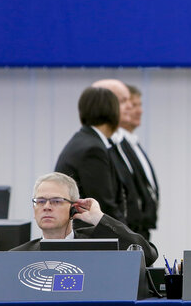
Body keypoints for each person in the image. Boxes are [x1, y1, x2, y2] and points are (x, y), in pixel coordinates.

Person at [10, 172, 158, 266]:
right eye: (40, 201)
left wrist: (99, 218)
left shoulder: (98, 244)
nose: (47, 207)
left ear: (73, 207)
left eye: (56, 201)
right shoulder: (17, 257)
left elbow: (148, 254)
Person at [54, 87, 126, 222]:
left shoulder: (84, 140)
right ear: (113, 112)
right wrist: (128, 236)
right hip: (90, 237)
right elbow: (104, 208)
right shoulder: (93, 150)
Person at [92, 79, 152, 239]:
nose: (133, 109)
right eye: (124, 102)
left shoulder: (125, 143)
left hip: (134, 230)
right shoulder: (99, 147)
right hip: (115, 234)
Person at [119, 84, 159, 239]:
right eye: (133, 105)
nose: (138, 110)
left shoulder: (133, 143)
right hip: (128, 228)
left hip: (141, 228)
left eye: (139, 105)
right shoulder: (115, 146)